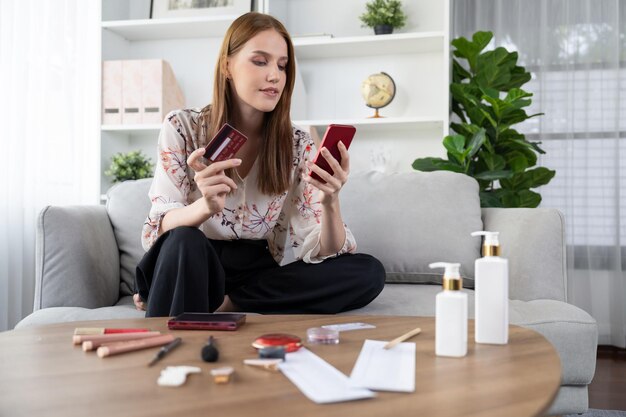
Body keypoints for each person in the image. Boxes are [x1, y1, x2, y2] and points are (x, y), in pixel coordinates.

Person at [133, 12, 385, 317]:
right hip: (189, 257)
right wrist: (205, 208)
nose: (275, 76)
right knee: (185, 241)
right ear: (227, 65)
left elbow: (325, 251)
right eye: (260, 61)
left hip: (254, 274)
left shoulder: (297, 145)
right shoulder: (183, 127)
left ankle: (227, 304)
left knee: (367, 271)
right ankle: (190, 300)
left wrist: (330, 202)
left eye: (282, 65)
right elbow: (157, 230)